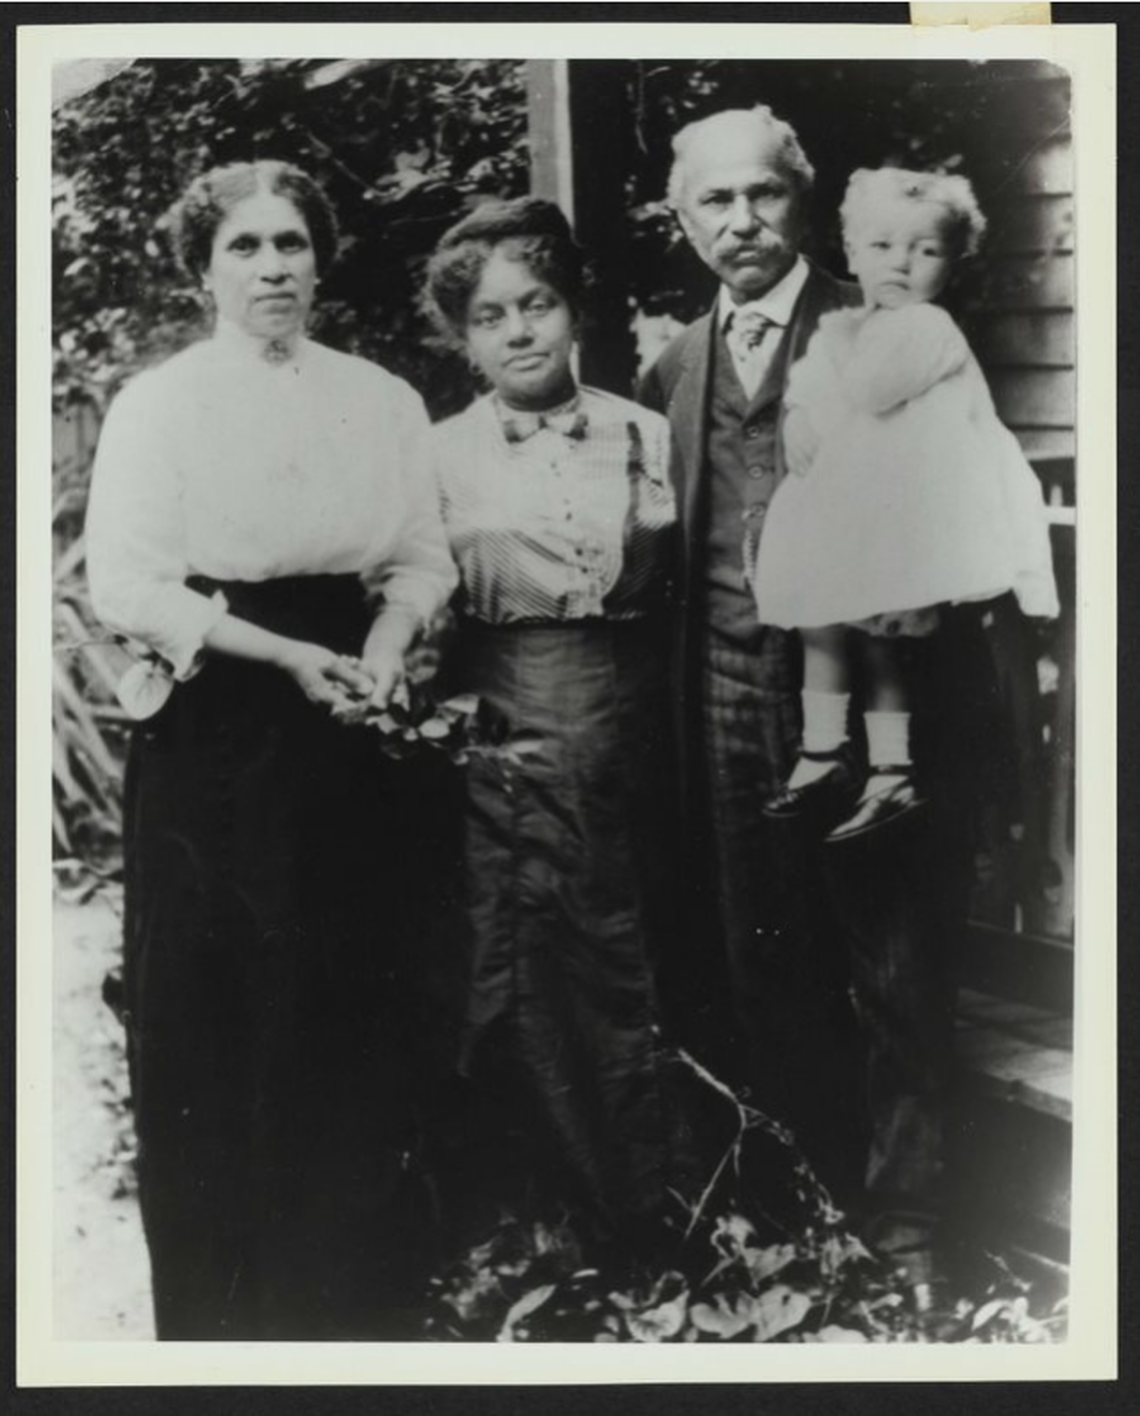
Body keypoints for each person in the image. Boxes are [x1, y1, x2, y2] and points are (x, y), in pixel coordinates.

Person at [85, 160, 458, 1339]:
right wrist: (289, 655)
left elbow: (418, 555)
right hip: (217, 732)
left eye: (290, 242)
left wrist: (384, 648)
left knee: (345, 1010)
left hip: (347, 724)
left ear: (320, 258)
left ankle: (354, 1318)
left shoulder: (380, 398)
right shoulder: (160, 405)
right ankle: (227, 1336)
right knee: (219, 1023)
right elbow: (128, 582)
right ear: (202, 270)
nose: (272, 268)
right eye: (242, 247)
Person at [639, 107, 995, 1290]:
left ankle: (910, 1239)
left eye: (764, 194)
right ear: (682, 221)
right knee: (769, 969)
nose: (741, 220)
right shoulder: (670, 370)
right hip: (726, 699)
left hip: (872, 691)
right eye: (714, 201)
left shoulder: (883, 321)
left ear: (800, 199)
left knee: (894, 969)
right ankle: (815, 1226)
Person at [423, 197, 679, 1252]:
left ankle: (661, 1205)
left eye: (537, 304)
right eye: (490, 317)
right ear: (464, 337)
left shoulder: (646, 432)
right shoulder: (436, 454)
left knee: (640, 939)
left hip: (641, 716)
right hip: (510, 715)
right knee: (529, 947)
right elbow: (418, 603)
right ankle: (552, 1215)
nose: (519, 331)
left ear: (575, 311)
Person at [756, 167, 1059, 840]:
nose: (901, 263)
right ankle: (824, 749)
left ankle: (891, 770)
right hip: (852, 521)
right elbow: (807, 390)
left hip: (908, 523)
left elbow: (873, 388)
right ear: (852, 252)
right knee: (822, 625)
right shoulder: (846, 328)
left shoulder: (928, 327)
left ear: (952, 264)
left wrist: (829, 372)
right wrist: (798, 415)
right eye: (883, 246)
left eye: (926, 250)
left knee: (882, 642)